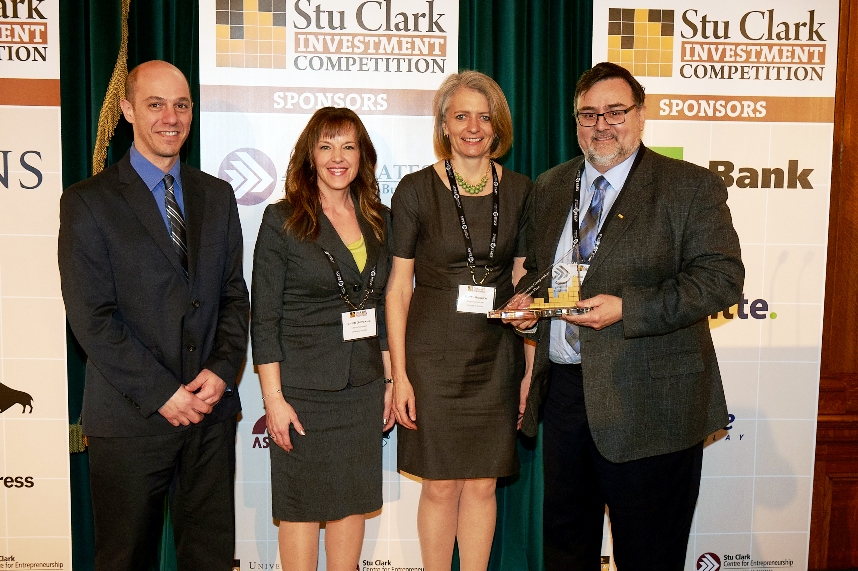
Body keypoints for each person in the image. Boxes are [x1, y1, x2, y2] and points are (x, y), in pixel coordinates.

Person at [508, 61, 745, 571]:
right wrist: (531, 311)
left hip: (652, 399)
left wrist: (627, 308)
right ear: (576, 122)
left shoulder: (688, 186)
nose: (602, 125)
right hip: (568, 396)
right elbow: (544, 276)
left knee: (649, 553)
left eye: (615, 112)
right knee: (566, 549)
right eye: (588, 115)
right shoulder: (550, 187)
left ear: (641, 115)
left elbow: (721, 280)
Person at [58, 60, 249, 570]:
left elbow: (234, 296)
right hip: (131, 416)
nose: (171, 116)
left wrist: (223, 369)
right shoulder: (87, 203)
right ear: (126, 110)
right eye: (155, 103)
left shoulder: (217, 195)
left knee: (209, 558)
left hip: (209, 416)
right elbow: (91, 317)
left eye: (181, 104)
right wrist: (163, 394)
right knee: (125, 560)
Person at [386, 71, 533, 571]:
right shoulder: (415, 190)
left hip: (496, 357)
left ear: (499, 127)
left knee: (482, 482)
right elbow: (398, 289)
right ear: (444, 125)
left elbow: (524, 285)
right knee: (441, 482)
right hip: (431, 358)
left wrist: (529, 370)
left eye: (484, 117)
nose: (473, 126)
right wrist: (399, 374)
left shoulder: (520, 190)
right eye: (461, 115)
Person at [251, 107, 394, 571]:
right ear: (309, 156)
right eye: (326, 146)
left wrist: (391, 381)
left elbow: (387, 309)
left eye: (348, 146)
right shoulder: (283, 220)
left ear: (362, 156)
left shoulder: (381, 220)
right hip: (303, 391)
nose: (338, 157)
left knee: (352, 502)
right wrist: (273, 398)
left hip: (363, 385)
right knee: (301, 507)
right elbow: (264, 317)